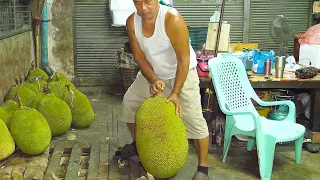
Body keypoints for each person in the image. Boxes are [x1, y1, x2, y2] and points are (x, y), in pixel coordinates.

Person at [119, 0, 210, 179]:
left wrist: (175, 92)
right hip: (152, 72)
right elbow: (138, 55)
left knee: (193, 118)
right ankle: (140, 146)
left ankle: (203, 168)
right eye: (138, 3)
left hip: (182, 73)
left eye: (148, 2)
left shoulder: (171, 19)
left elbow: (183, 60)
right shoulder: (132, 22)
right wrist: (153, 79)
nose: (143, 8)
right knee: (130, 104)